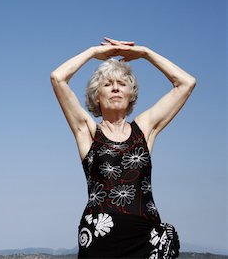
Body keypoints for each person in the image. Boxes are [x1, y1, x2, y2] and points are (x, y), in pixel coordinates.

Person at [50, 37, 196, 258]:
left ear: (131, 94)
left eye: (122, 83)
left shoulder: (144, 130)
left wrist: (145, 53)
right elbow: (58, 78)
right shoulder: (88, 131)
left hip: (146, 238)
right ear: (96, 96)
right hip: (100, 239)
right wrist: (92, 52)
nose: (115, 88)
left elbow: (186, 83)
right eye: (107, 84)